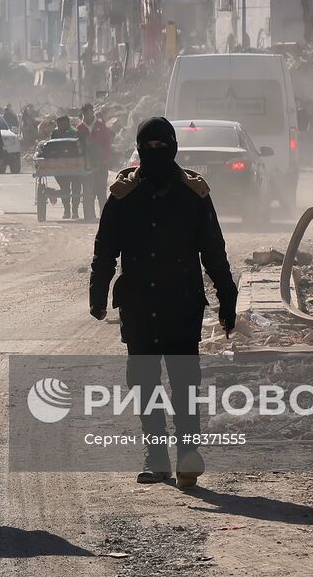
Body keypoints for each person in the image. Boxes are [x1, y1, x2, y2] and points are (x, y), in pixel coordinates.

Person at [89, 118, 237, 488]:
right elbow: (105, 250)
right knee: (144, 382)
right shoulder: (122, 196)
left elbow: (214, 252)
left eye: (162, 146)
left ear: (173, 147)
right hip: (139, 305)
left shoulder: (193, 194)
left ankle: (189, 455)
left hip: (181, 304)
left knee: (185, 382)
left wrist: (227, 298)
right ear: (139, 149)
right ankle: (156, 458)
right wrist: (98, 291)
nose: (156, 153)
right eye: (149, 147)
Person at [77, 102, 113, 222]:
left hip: (101, 164)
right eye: (84, 113)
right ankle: (89, 216)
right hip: (86, 165)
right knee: (88, 192)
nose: (87, 115)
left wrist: (105, 160)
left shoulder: (101, 127)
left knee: (101, 192)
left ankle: (104, 216)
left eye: (88, 112)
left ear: (92, 112)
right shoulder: (80, 128)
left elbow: (107, 145)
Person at [50, 114, 82, 219]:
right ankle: (67, 211)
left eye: (62, 124)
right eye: (58, 124)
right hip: (60, 165)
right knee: (65, 189)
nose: (60, 126)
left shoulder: (74, 132)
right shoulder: (54, 133)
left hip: (75, 164)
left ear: (67, 123)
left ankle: (75, 211)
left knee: (76, 189)